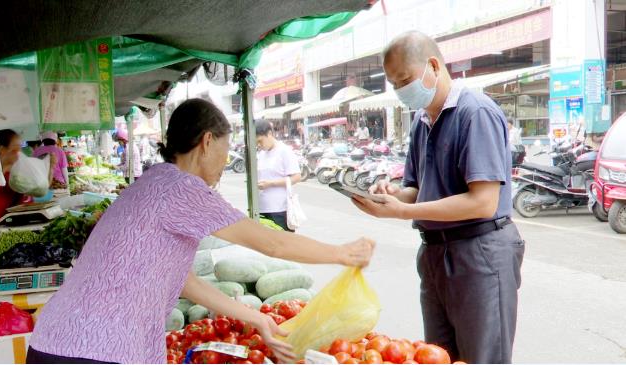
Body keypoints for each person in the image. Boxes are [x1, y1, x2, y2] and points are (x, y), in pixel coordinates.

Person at [27, 98, 375, 364]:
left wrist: (256, 319)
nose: (225, 165)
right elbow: (272, 243)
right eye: (225, 152)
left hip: (56, 343)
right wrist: (341, 254)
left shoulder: (152, 183)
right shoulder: (182, 189)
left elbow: (184, 280)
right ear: (207, 142)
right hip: (95, 350)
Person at [352, 31, 524, 364]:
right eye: (394, 84)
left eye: (405, 79)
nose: (401, 91)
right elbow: (416, 188)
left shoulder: (475, 113)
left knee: (482, 357)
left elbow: (483, 202)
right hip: (435, 252)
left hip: (480, 253)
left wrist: (401, 212)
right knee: (437, 357)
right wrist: (391, 196)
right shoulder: (421, 122)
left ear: (433, 65)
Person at [255, 120, 301, 232]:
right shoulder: (261, 154)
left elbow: (296, 177)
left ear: (269, 134)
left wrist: (271, 183)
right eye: (257, 143)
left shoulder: (284, 151)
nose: (259, 145)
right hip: (262, 208)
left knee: (283, 244)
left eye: (260, 141)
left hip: (280, 209)